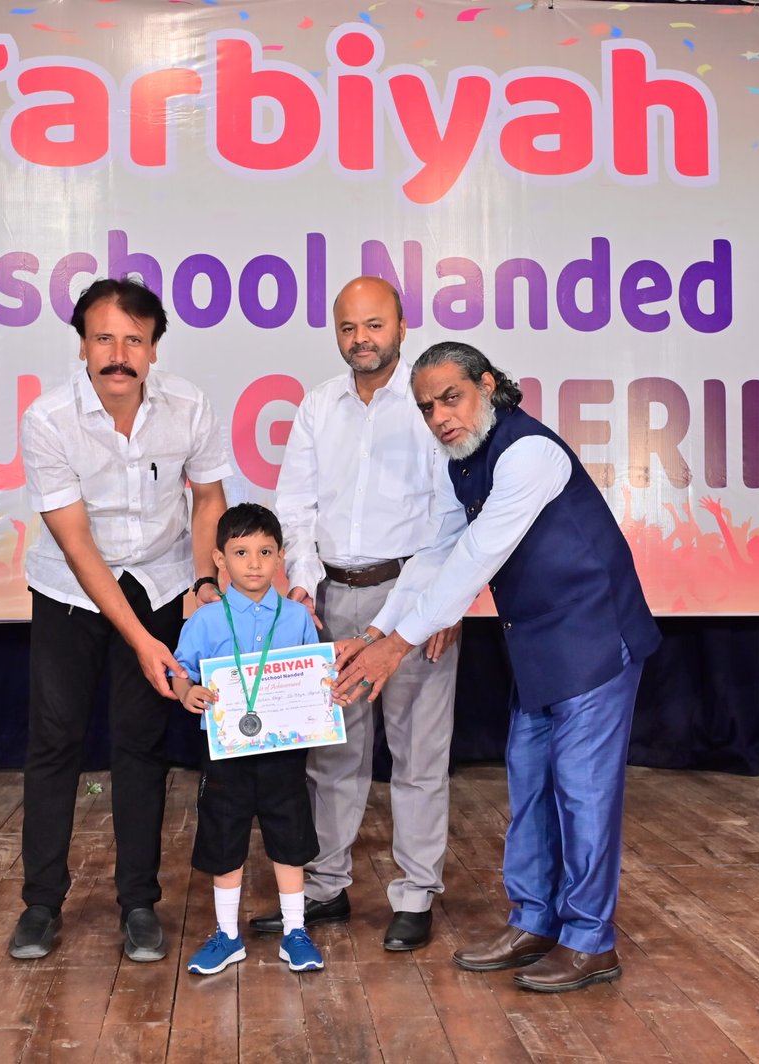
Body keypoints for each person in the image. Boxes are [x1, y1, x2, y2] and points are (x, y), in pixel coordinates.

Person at [336, 341, 661, 993]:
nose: (440, 417)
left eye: (450, 398)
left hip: (595, 637)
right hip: (537, 645)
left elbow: (475, 558)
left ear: (487, 386)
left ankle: (590, 940)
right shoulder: (462, 460)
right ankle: (535, 921)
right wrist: (373, 632)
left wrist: (395, 647)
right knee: (530, 785)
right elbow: (434, 554)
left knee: (583, 794)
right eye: (427, 408)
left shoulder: (529, 452)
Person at [10, 277, 230, 964]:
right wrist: (142, 640)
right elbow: (77, 544)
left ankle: (138, 901)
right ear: (81, 345)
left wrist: (204, 582)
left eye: (134, 340)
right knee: (57, 742)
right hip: (70, 592)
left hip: (159, 581)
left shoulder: (188, 405)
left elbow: (209, 497)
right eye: (103, 338)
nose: (118, 354)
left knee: (141, 745)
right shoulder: (48, 419)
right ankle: (41, 903)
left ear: (153, 349)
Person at [258, 276, 462, 951]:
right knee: (332, 756)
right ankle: (325, 888)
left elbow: (453, 513)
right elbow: (295, 505)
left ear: (401, 326)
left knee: (419, 756)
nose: (361, 339)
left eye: (374, 325)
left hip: (416, 599)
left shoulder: (430, 403)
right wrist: (303, 586)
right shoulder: (319, 405)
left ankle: (416, 894)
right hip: (333, 599)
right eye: (348, 328)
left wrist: (446, 602)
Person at [171, 504, 326, 975]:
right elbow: (180, 670)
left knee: (289, 837)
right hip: (226, 755)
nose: (254, 563)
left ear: (281, 557)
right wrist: (186, 691)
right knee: (224, 840)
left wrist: (325, 692)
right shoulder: (205, 621)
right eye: (241, 552)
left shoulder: (297, 618)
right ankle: (227, 935)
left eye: (265, 551)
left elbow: (315, 678)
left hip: (283, 753)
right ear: (219, 559)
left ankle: (295, 932)